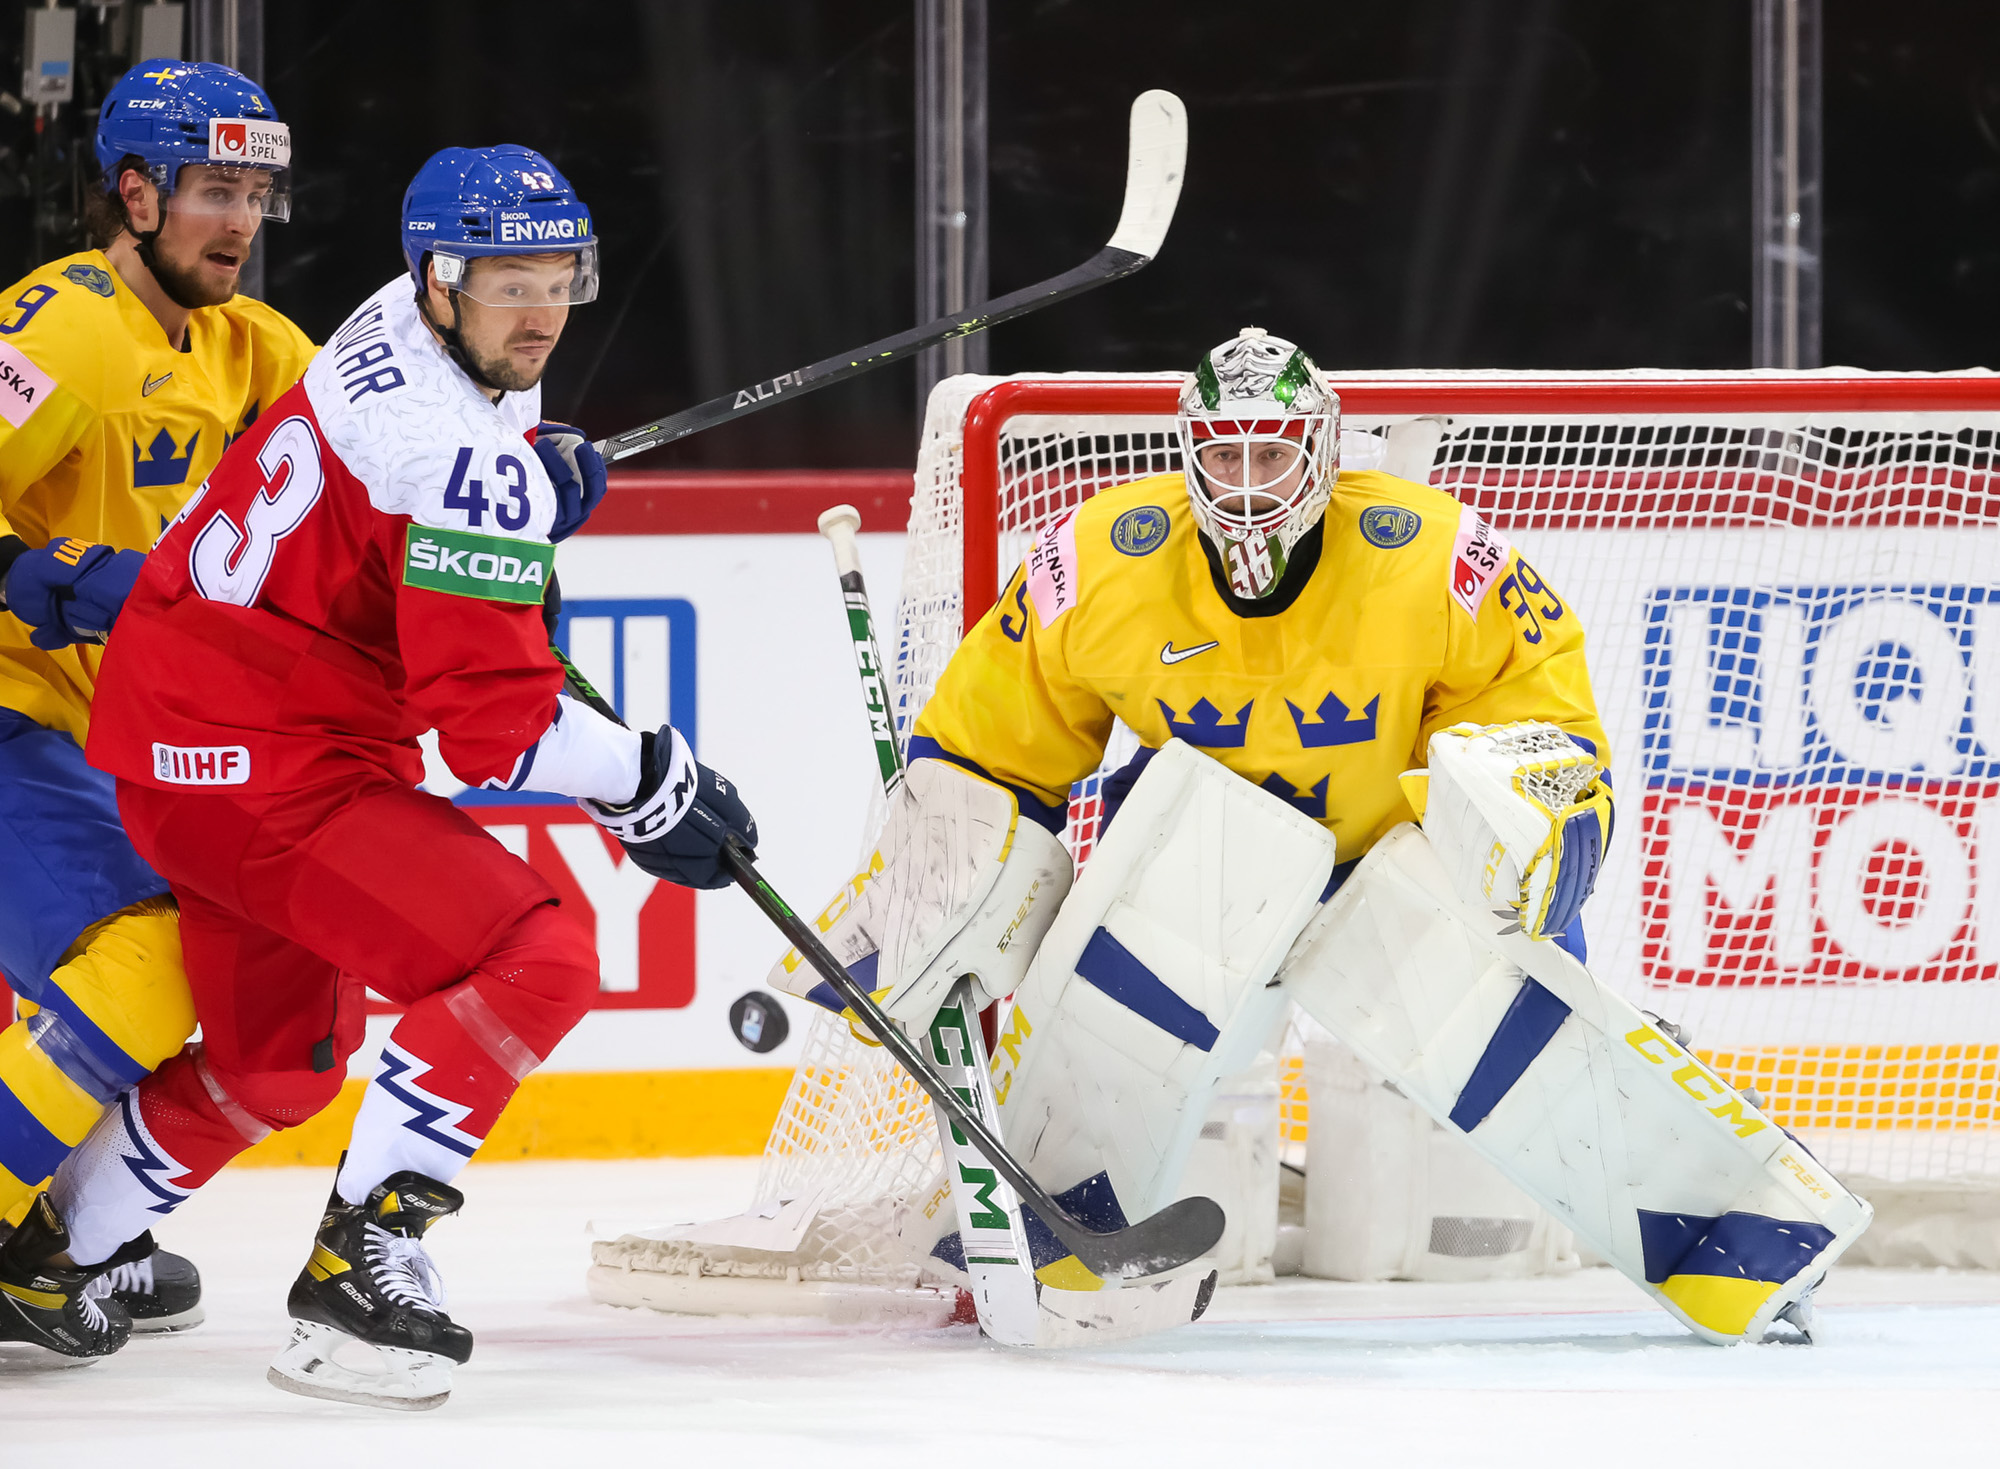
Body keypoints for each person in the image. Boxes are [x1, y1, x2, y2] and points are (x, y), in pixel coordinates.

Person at [768, 330, 1864, 1345]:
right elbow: (989, 738)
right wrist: (943, 862)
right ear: (1185, 456)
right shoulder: (1098, 557)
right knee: (1112, 1028)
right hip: (1200, 861)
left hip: (1384, 863)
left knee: (1529, 1050)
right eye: (1223, 457)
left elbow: (1537, 703)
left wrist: (1536, 813)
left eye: (1273, 457)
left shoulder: (1429, 553)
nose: (1246, 488)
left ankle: (1742, 1236)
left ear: (1324, 452)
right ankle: (1049, 1233)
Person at [0, 146, 756, 1410]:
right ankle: (357, 1273)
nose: (539, 310)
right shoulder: (452, 451)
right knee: (541, 949)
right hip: (267, 767)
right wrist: (650, 779)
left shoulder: (385, 324)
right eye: (505, 278)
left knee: (278, 1065)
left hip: (172, 738)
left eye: (559, 276)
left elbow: (410, 499)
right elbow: (497, 736)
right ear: (440, 278)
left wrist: (519, 475)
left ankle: (51, 1256)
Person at [0, 59, 312, 1347]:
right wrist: (46, 575)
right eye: (210, 191)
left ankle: (47, 1236)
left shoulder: (248, 346)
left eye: (255, 194)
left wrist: (524, 455)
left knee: (236, 954)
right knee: (153, 944)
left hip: (100, 743)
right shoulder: (60, 327)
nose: (237, 221)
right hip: (13, 715)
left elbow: (397, 442)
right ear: (133, 193)